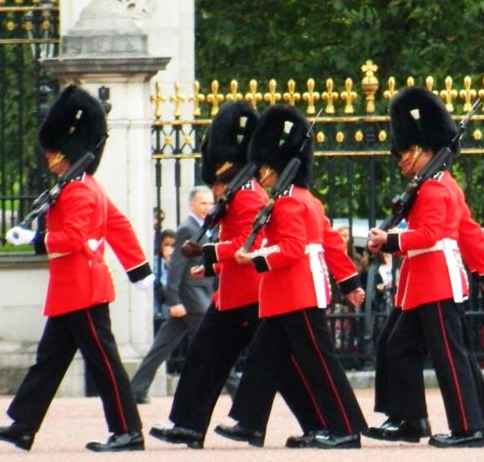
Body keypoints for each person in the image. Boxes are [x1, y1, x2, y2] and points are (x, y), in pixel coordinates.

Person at [0, 84, 152, 452]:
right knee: (50, 361)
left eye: (53, 153)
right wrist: (138, 269)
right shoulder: (80, 185)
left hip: (83, 290)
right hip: (71, 290)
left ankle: (129, 431)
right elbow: (118, 225)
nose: (49, 159)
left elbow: (73, 238)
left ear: (66, 153)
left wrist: (35, 240)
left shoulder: (78, 190)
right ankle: (23, 425)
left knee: (104, 363)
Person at [217, 104, 368, 449]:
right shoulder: (303, 199)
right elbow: (329, 241)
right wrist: (349, 282)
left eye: (263, 170)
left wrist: (253, 258)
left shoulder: (286, 203)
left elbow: (291, 248)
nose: (259, 176)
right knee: (261, 358)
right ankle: (249, 422)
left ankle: (344, 429)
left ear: (273, 169)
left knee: (319, 364)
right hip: (285, 296)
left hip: (296, 293)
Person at [366, 87, 484, 448]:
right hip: (419, 284)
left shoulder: (435, 188)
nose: (401, 160)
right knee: (396, 345)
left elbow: (431, 234)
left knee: (449, 358)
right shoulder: (427, 186)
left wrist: (389, 241)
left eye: (405, 152)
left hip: (436, 281)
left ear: (424, 150)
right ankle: (410, 418)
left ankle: (468, 427)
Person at [149, 101, 266, 450]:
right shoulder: (236, 195)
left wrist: (209, 253)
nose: (214, 190)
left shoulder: (249, 196)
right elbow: (230, 245)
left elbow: (247, 244)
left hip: (255, 296)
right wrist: (212, 264)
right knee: (203, 358)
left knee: (282, 368)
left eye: (217, 182)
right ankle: (187, 425)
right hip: (232, 297)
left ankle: (327, 424)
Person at [130, 186, 216, 404]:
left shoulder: (206, 226)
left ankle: (136, 390)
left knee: (162, 346)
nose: (208, 208)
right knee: (214, 345)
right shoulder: (187, 228)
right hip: (192, 298)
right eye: (203, 203)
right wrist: (174, 300)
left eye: (210, 203)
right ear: (192, 205)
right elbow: (177, 265)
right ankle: (236, 390)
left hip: (199, 295)